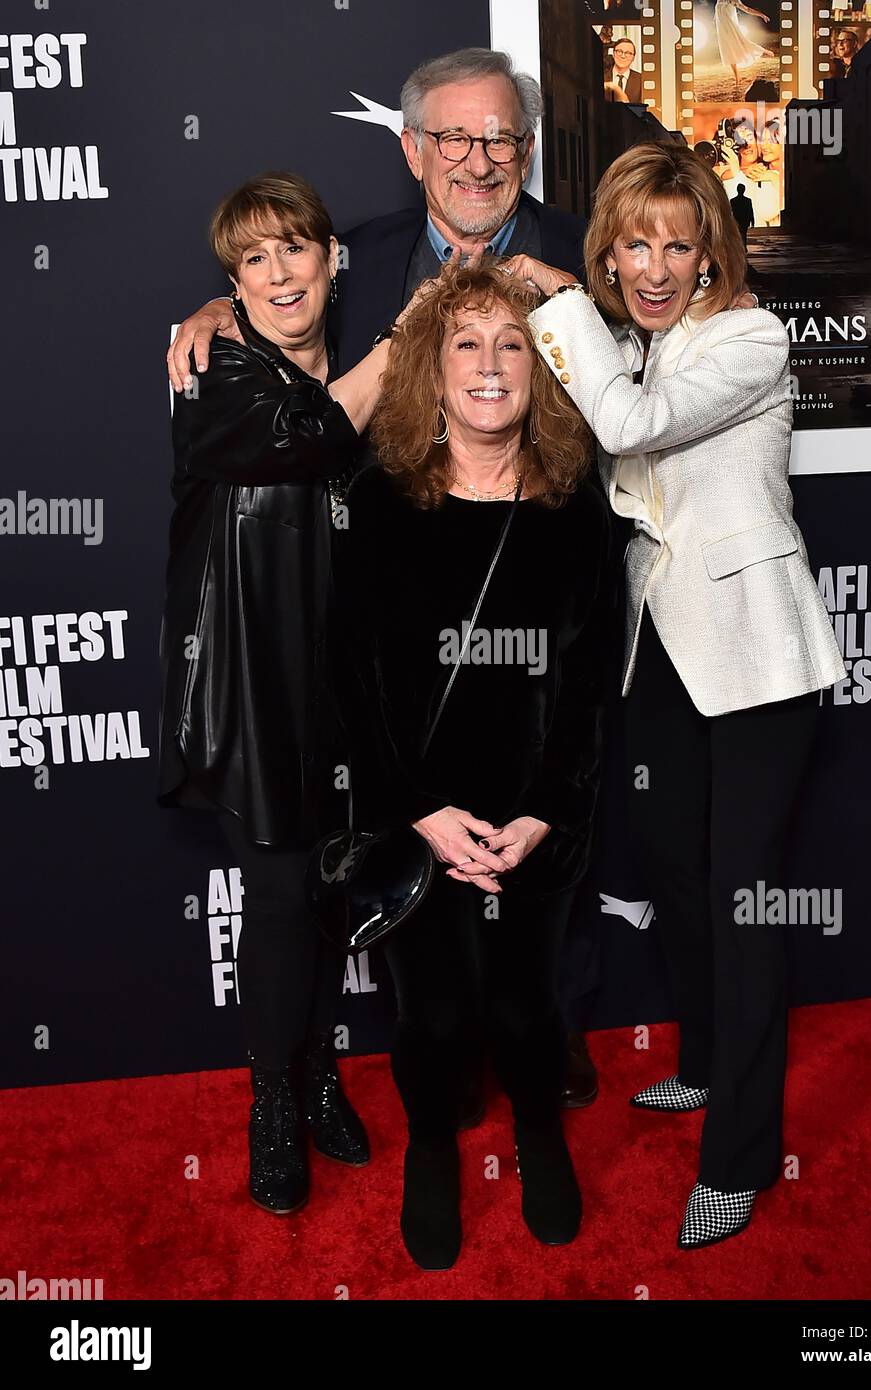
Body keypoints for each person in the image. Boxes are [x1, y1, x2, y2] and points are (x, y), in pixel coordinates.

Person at [165, 47, 601, 1111]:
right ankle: (428, 1051)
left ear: (526, 150)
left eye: (498, 136)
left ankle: (542, 1031)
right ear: (411, 151)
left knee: (544, 823)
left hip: (529, 588)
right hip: (386, 605)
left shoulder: (578, 257)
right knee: (414, 828)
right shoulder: (358, 262)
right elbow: (282, 329)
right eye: (451, 136)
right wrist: (211, 315)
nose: (476, 158)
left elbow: (667, 334)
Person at [498, 142, 847, 1250]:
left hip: (751, 659)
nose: (652, 265)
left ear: (709, 255)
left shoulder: (746, 337)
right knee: (677, 877)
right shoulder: (640, 352)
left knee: (742, 905)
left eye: (675, 245)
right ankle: (702, 1062)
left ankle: (740, 1157)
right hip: (660, 656)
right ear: (609, 249)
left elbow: (629, 432)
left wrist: (560, 305)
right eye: (629, 244)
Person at [333, 265, 612, 1270]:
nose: (490, 366)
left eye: (511, 346)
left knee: (526, 1004)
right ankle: (431, 1153)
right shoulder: (378, 503)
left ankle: (540, 1137)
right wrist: (417, 813)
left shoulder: (574, 509)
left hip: (531, 820)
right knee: (434, 1011)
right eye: (467, 344)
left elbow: (587, 687)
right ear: (432, 370)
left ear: (539, 371)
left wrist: (543, 811)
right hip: (420, 818)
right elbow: (351, 684)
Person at [159, 171, 420, 1216]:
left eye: (293, 251)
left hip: (349, 688)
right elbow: (304, 434)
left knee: (324, 889)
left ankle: (318, 1074)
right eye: (251, 261)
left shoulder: (347, 364)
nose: (277, 275)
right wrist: (400, 346)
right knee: (274, 901)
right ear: (231, 280)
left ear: (327, 259)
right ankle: (274, 1103)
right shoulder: (214, 368)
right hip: (259, 689)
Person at [714, 0, 772, 98]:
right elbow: (718, 12)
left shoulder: (733, 0)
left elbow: (747, 9)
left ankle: (763, 50)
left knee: (742, 43)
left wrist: (761, 15)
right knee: (727, 50)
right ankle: (737, 77)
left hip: (732, 28)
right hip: (722, 29)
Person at [605, 38, 643, 104]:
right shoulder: (601, 77)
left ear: (633, 58)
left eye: (628, 53)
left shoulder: (641, 80)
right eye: (619, 51)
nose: (623, 56)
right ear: (613, 54)